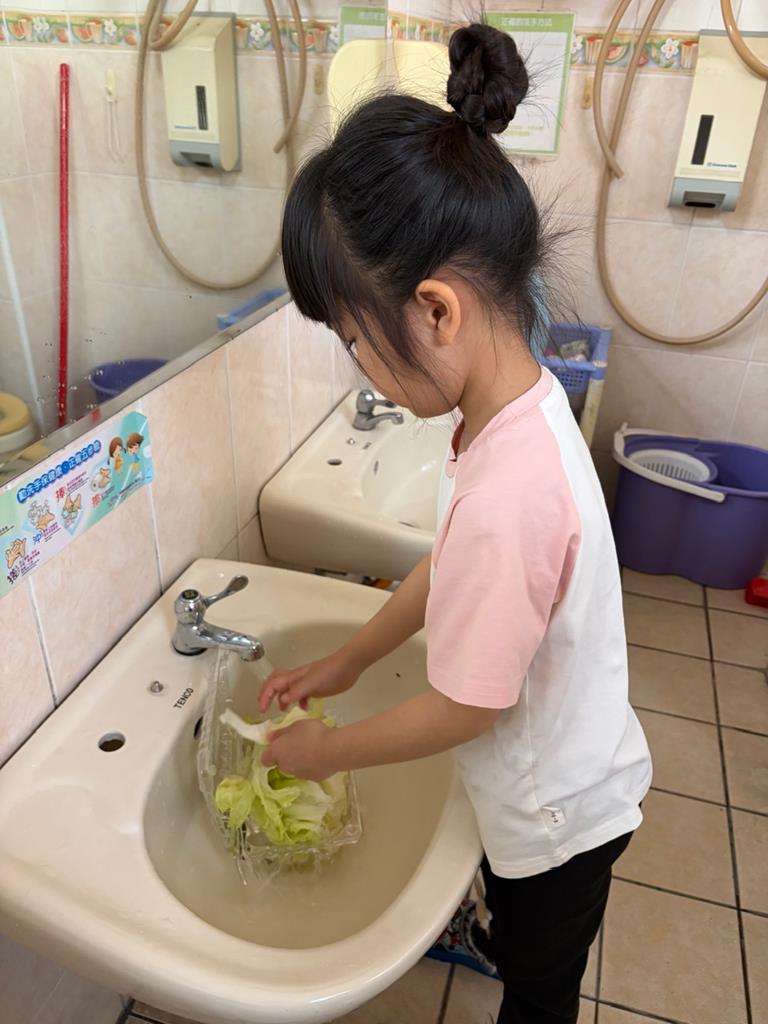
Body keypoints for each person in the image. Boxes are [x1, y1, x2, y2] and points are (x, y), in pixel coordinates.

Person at [259, 22, 652, 1024]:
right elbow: (448, 567)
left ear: (437, 311)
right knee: (521, 936)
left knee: (539, 984)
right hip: (567, 767)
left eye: (356, 340)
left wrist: (323, 752)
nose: (361, 367)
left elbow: (464, 709)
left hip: (560, 822)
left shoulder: (513, 491)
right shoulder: (515, 409)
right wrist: (350, 657)